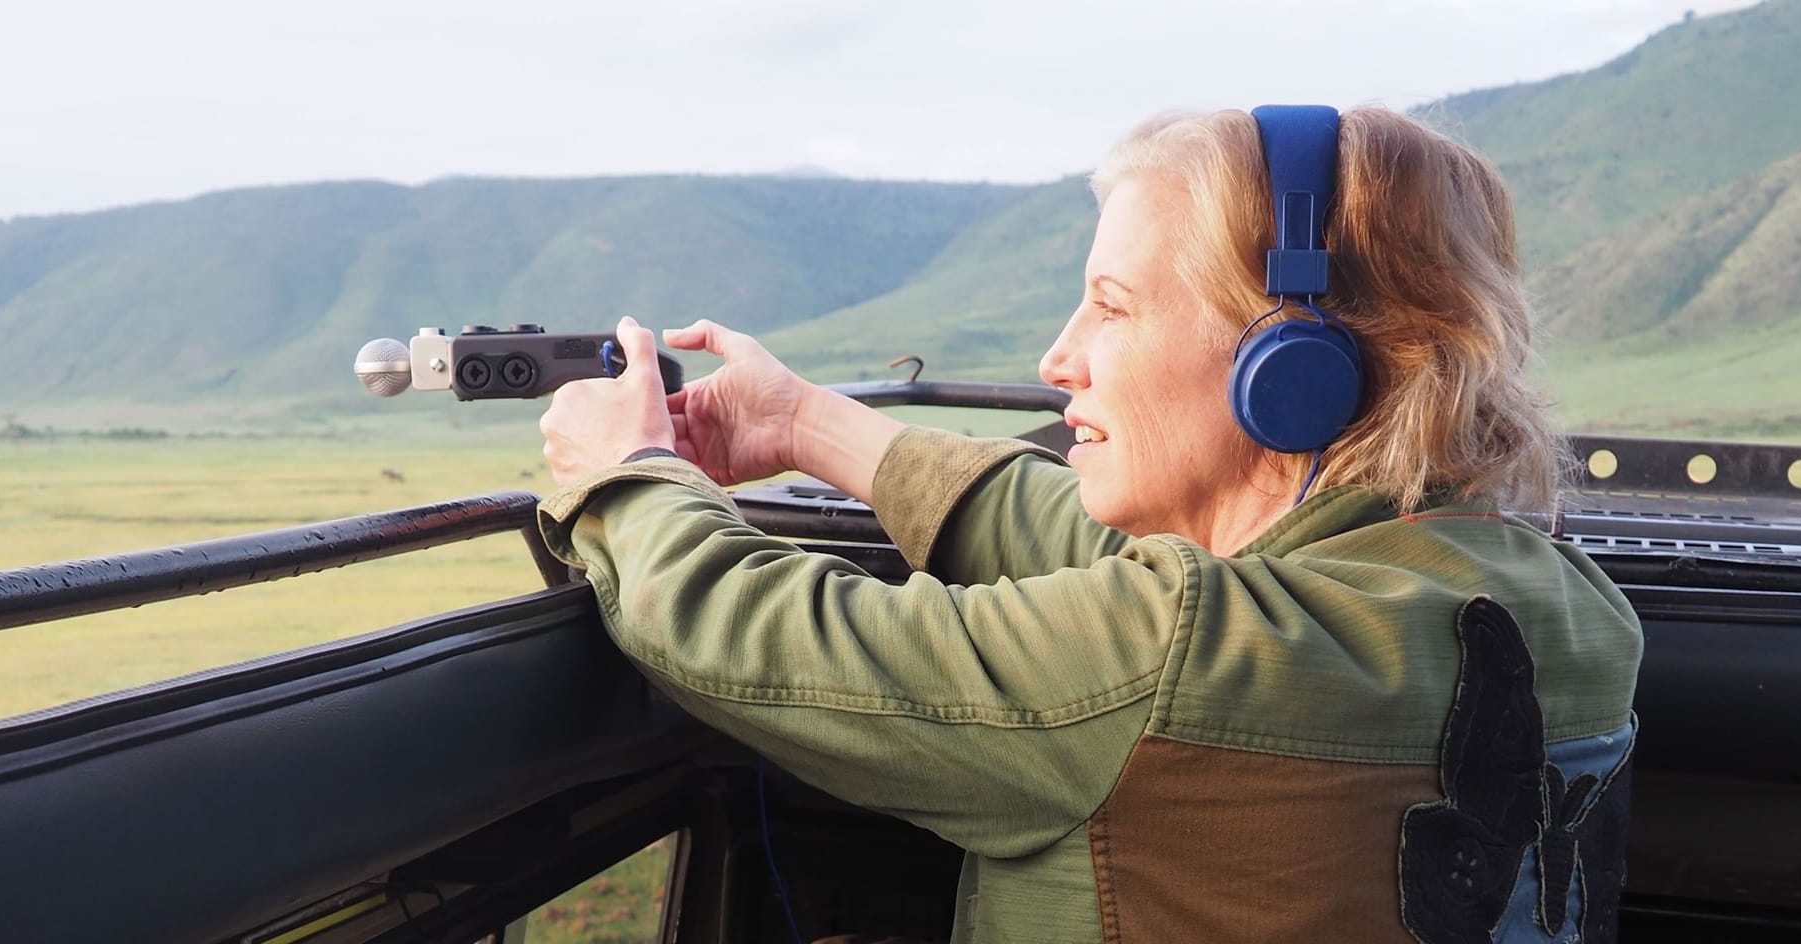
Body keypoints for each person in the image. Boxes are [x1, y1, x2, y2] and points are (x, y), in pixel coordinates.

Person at [534, 105, 1642, 944]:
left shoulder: (1180, 654)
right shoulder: (1562, 599)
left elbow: (751, 633)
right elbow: (1104, 556)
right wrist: (802, 423)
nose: (1057, 357)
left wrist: (626, 477)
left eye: (1111, 307)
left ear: (1290, 364)